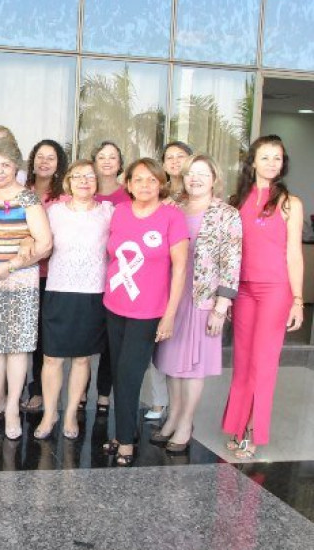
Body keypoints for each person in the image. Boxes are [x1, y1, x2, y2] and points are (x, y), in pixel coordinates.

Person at [151, 154, 242, 453]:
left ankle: (186, 422)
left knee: (194, 365)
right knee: (171, 362)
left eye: (203, 173)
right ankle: (174, 416)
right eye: (191, 173)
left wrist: (221, 306)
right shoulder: (172, 208)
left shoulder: (226, 214)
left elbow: (232, 261)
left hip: (204, 299)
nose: (196, 179)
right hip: (172, 297)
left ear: (214, 178)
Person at [102, 158, 188, 466]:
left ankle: (125, 441)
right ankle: (126, 431)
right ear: (128, 184)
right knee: (118, 373)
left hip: (148, 311)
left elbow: (180, 270)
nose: (145, 185)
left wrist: (169, 314)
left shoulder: (171, 217)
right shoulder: (120, 212)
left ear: (161, 183)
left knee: (129, 374)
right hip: (114, 306)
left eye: (152, 180)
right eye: (138, 180)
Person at [223, 135, 304, 459]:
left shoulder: (289, 203)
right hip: (243, 289)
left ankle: (255, 432)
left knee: (264, 362)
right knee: (242, 360)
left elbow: (294, 254)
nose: (272, 163)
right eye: (265, 157)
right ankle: (237, 425)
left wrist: (298, 299)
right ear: (252, 161)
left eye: (277, 158)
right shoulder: (237, 199)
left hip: (275, 290)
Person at [0, 138, 51, 440]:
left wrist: (14, 265)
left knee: (17, 347)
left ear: (16, 166)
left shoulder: (28, 199)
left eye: (5, 165)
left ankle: (12, 410)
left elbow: (44, 243)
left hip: (19, 280)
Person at [37, 160, 112, 440]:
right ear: (68, 181)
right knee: (52, 358)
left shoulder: (108, 212)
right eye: (78, 176)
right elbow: (36, 242)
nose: (84, 181)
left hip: (92, 294)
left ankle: (70, 414)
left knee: (82, 360)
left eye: (90, 176)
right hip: (58, 291)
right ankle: (49, 414)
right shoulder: (53, 211)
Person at [140, 140, 195, 422]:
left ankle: (182, 410)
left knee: (181, 350)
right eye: (169, 157)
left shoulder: (197, 193)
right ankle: (160, 402)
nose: (175, 161)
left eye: (181, 156)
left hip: (190, 282)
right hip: (158, 281)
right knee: (156, 347)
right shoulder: (156, 195)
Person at [21, 139, 68, 412]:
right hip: (19, 273)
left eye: (51, 158)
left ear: (58, 163)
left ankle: (37, 389)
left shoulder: (63, 197)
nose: (45, 162)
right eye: (40, 157)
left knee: (41, 336)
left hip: (49, 276)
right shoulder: (22, 191)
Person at [89, 140, 129, 414]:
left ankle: (104, 395)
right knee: (85, 338)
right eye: (101, 157)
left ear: (119, 164)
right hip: (87, 277)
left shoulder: (129, 196)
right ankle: (80, 393)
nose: (106, 161)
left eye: (112, 157)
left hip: (117, 278)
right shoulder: (83, 192)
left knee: (110, 342)